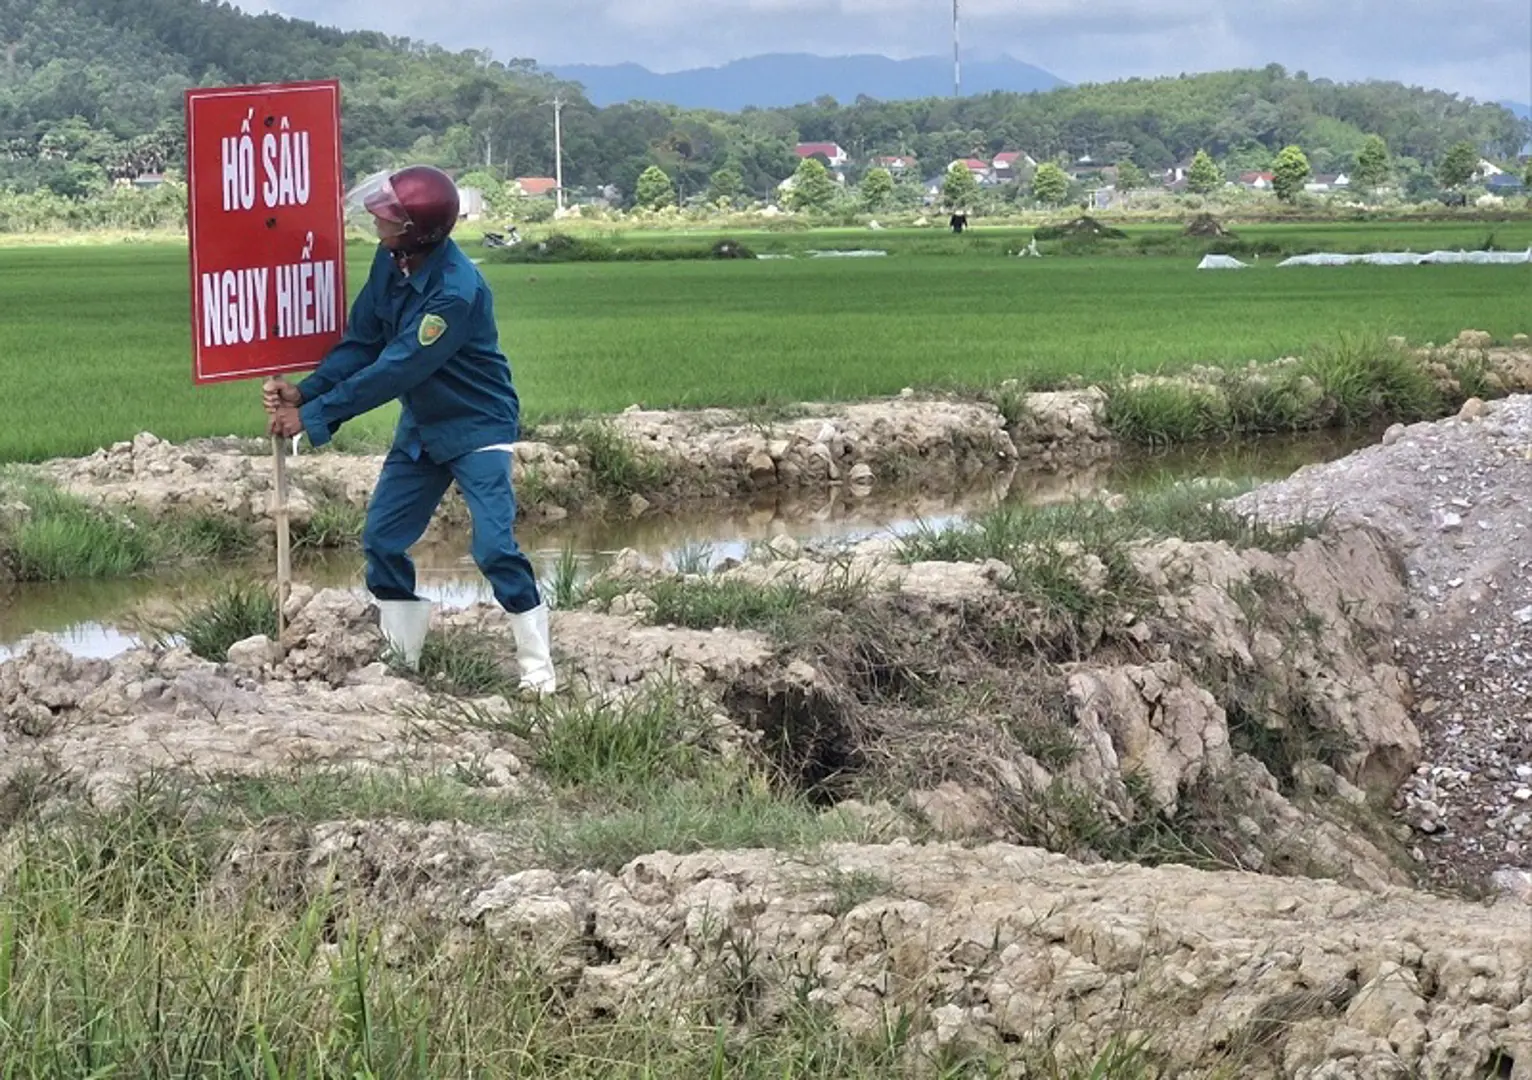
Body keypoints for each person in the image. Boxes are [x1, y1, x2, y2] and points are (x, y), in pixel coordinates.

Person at [263, 164, 555, 695]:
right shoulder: (391, 261)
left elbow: (398, 367)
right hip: (422, 426)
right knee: (381, 540)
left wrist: (312, 418)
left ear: (418, 229)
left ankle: (538, 671)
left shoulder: (454, 292)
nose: (378, 219)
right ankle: (405, 666)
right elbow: (363, 343)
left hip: (476, 426)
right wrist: (307, 390)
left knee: (492, 548)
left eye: (390, 215)